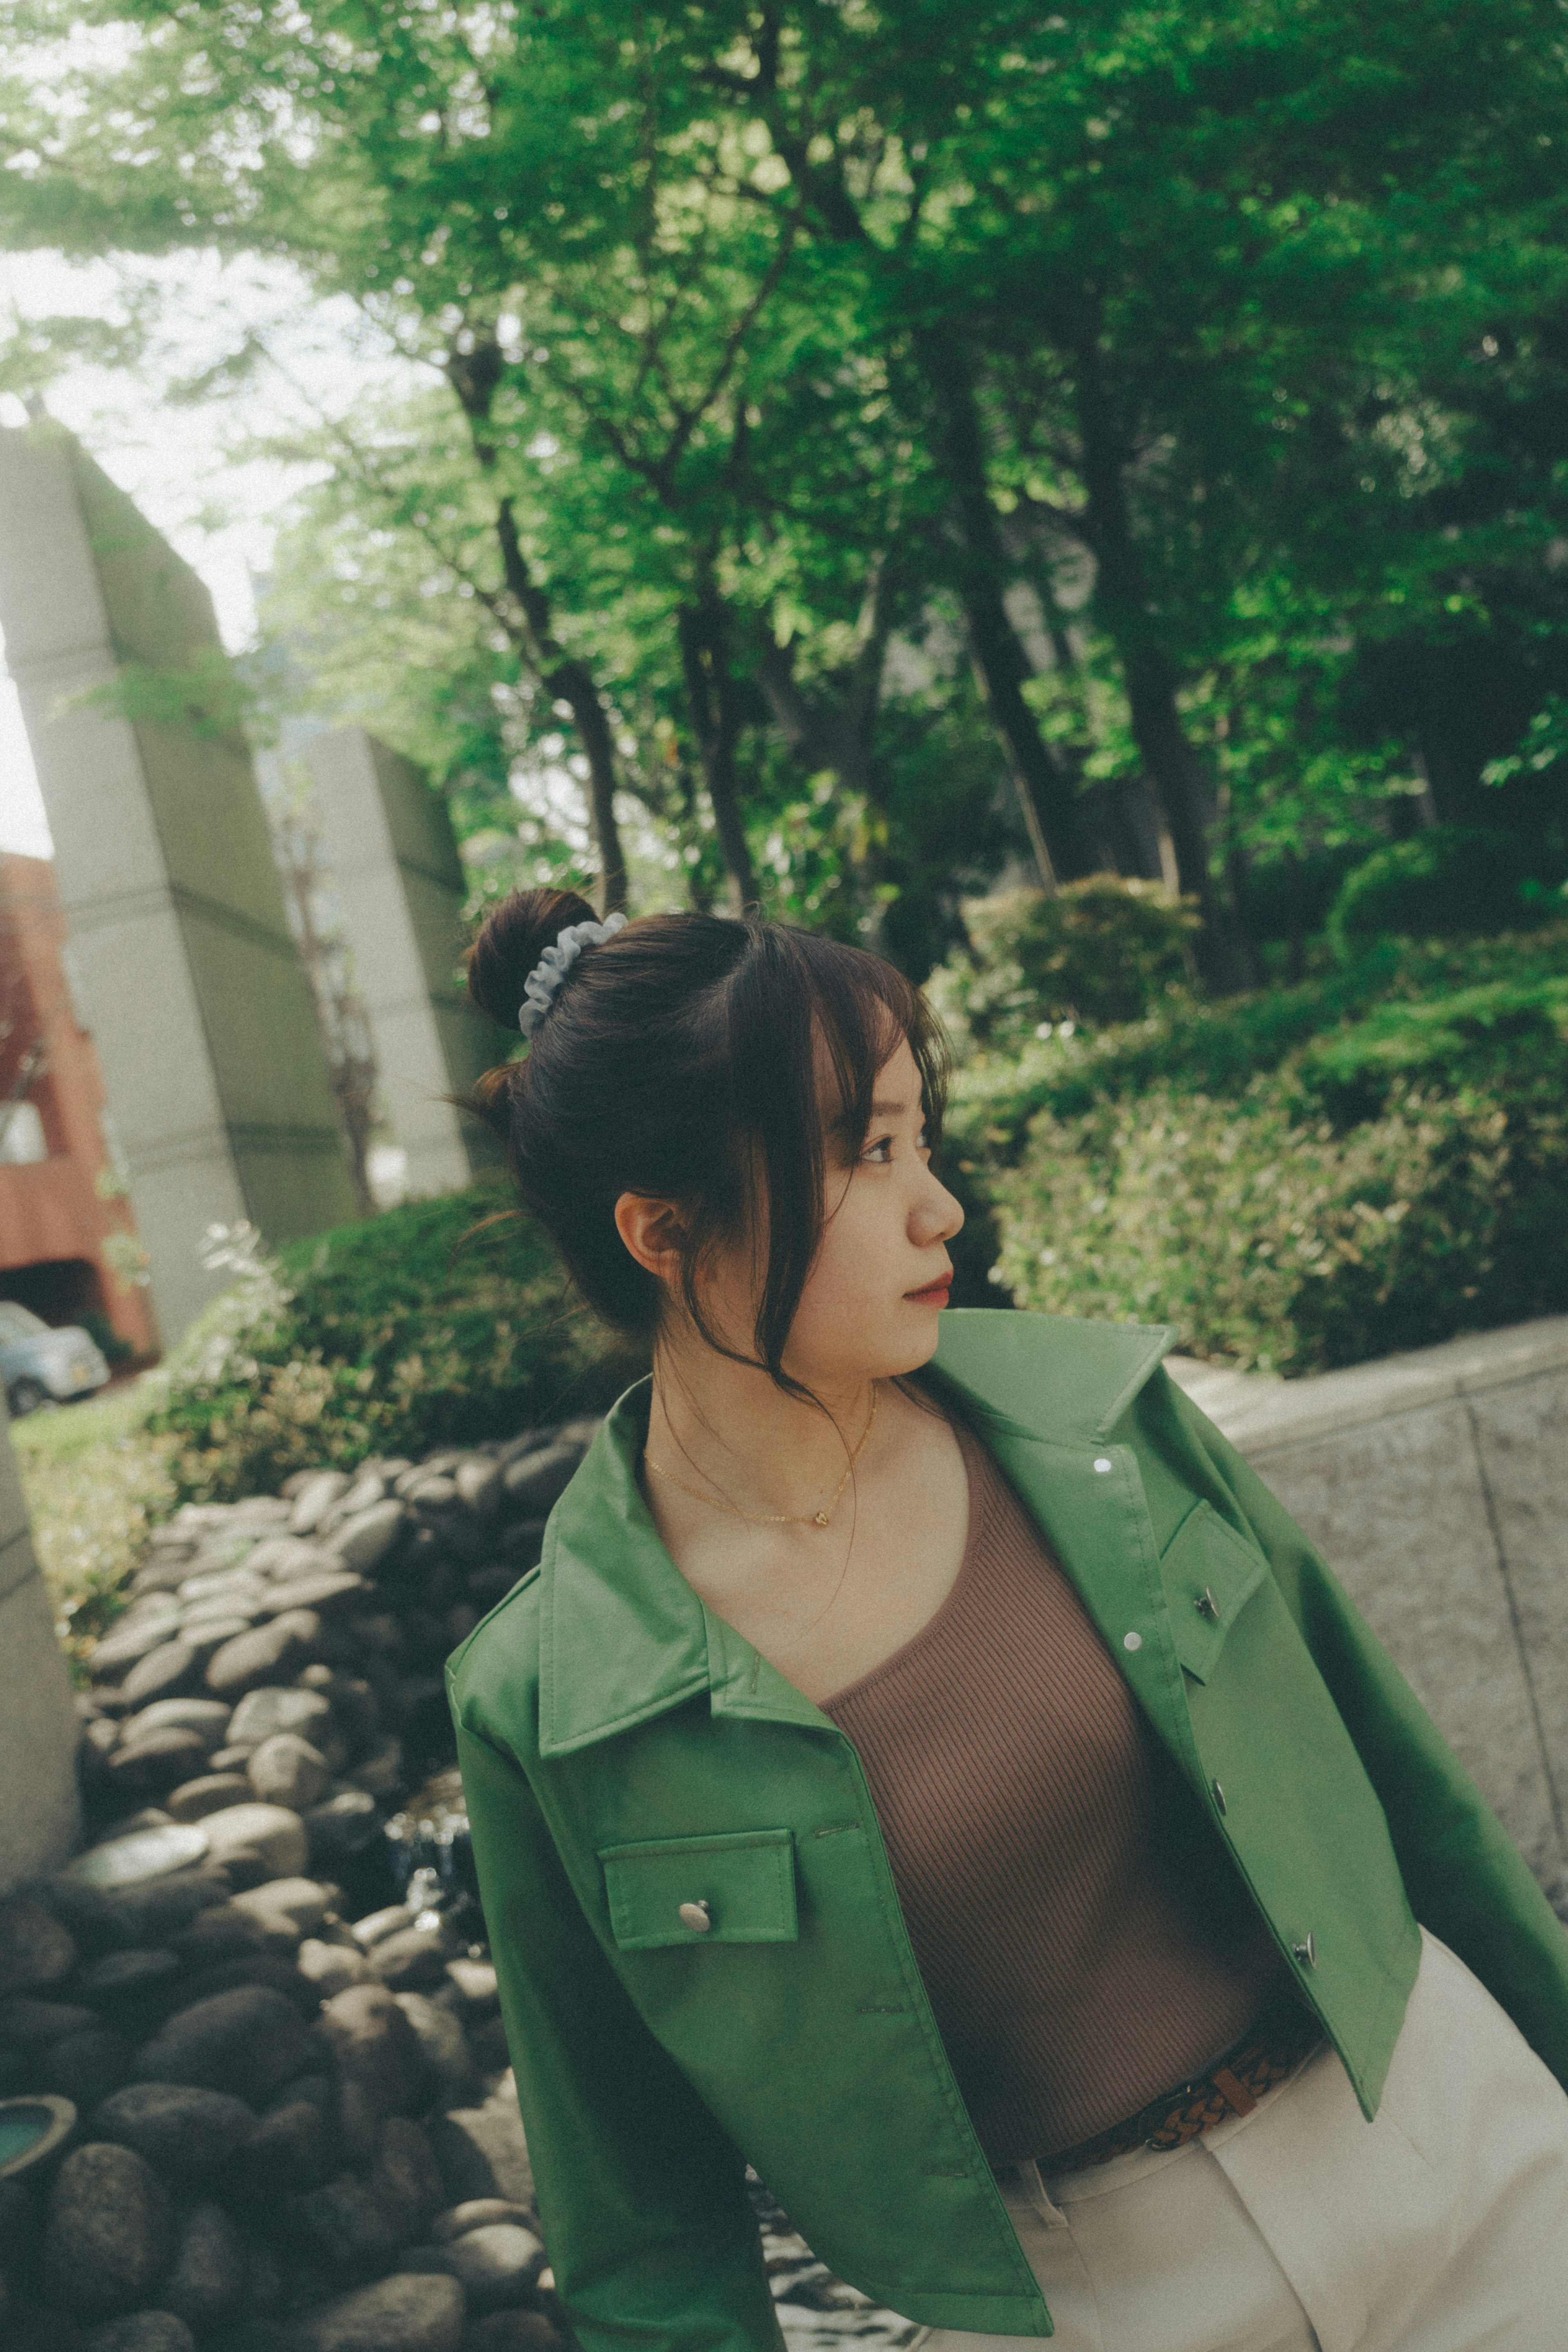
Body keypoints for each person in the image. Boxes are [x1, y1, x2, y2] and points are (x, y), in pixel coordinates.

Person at [448, 889, 1568, 2352]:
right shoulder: (553, 1701)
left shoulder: (1104, 1419)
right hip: (1090, 2306)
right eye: (865, 1153)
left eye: (918, 1135)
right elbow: (643, 2223)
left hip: (1456, 2152)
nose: (940, 1206)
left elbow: (1416, 1803)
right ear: (663, 1230)